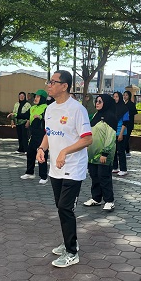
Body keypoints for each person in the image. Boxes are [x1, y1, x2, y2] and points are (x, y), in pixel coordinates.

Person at [36, 70, 92, 267]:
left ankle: (72, 252)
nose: (49, 85)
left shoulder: (77, 109)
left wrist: (65, 152)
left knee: (65, 208)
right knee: (61, 208)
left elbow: (87, 138)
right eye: (49, 81)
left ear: (64, 86)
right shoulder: (50, 109)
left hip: (73, 167)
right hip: (55, 168)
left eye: (53, 82)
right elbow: (48, 133)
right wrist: (42, 148)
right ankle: (69, 241)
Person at [84, 94, 117, 211]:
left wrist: (105, 153)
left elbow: (110, 137)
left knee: (104, 177)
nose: (97, 103)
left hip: (104, 155)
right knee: (94, 176)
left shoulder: (111, 117)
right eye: (96, 101)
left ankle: (109, 201)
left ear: (106, 103)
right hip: (93, 153)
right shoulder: (96, 115)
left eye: (100, 101)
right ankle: (96, 198)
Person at [20, 89, 49, 184]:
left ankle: (43, 176)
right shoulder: (32, 108)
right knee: (30, 153)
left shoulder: (47, 108)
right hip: (33, 134)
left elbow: (49, 118)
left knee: (42, 155)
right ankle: (30, 172)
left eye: (38, 97)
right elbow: (25, 115)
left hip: (42, 135)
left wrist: (41, 117)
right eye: (35, 96)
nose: (35, 98)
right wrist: (15, 115)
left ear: (43, 98)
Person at [111, 91, 129, 176]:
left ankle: (123, 169)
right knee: (113, 151)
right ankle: (115, 167)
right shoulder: (112, 108)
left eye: (117, 97)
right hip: (113, 132)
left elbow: (125, 122)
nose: (115, 98)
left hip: (121, 132)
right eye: (114, 96)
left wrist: (121, 134)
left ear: (120, 98)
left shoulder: (124, 108)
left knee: (121, 151)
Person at [123, 90, 138, 157]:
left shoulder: (131, 104)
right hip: (123, 123)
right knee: (124, 137)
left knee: (126, 137)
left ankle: (124, 151)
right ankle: (127, 151)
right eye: (124, 95)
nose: (125, 96)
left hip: (129, 123)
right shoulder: (123, 104)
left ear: (129, 96)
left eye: (126, 95)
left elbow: (134, 113)